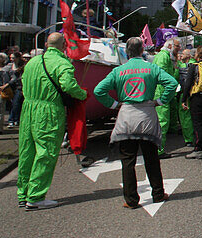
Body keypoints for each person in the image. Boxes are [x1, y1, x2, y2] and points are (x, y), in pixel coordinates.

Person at [94, 37, 178, 207]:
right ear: (142, 51)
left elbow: (98, 90)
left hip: (126, 116)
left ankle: (131, 199)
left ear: (127, 52)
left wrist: (115, 104)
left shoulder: (119, 71)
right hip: (147, 115)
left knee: (127, 160)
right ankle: (158, 193)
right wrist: (160, 101)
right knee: (151, 158)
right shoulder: (151, 68)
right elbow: (172, 83)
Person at [16, 32, 87, 210]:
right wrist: (82, 94)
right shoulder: (62, 63)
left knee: (27, 151)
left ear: (47, 44)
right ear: (64, 45)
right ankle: (36, 196)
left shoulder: (32, 62)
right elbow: (69, 86)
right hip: (48, 110)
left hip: (28, 108)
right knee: (46, 152)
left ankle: (23, 193)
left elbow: (23, 83)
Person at [153, 38, 190, 158]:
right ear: (170, 46)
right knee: (162, 122)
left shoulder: (164, 56)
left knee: (163, 121)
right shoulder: (163, 57)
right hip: (162, 93)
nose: (179, 49)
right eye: (178, 46)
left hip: (163, 92)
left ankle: (159, 148)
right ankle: (159, 150)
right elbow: (162, 76)